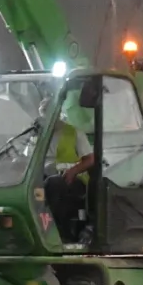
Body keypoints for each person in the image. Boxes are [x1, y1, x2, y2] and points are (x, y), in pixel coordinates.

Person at [39, 97, 95, 240]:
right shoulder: (38, 135)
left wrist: (73, 171)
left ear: (58, 112)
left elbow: (90, 159)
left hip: (72, 180)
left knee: (53, 185)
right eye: (44, 112)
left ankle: (61, 234)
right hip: (43, 177)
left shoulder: (73, 132)